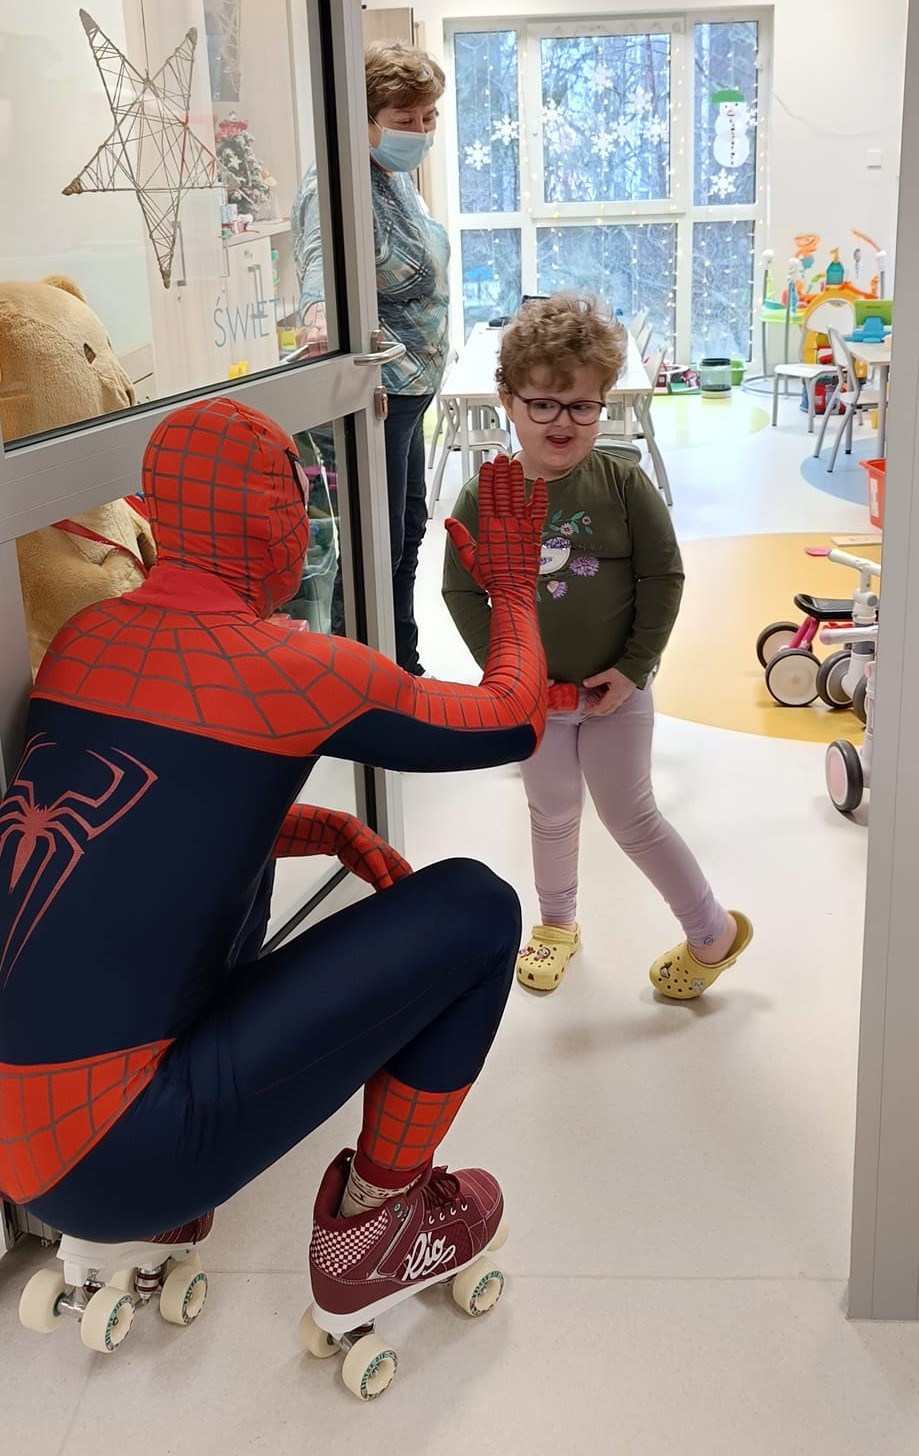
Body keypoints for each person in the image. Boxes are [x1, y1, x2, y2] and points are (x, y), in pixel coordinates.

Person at [0, 397, 548, 1349]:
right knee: (477, 908)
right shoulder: (296, 668)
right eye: (300, 501)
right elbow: (511, 719)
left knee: (242, 858)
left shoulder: (86, 639)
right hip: (123, 1149)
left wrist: (326, 827)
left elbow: (148, 826)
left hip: (25, 1143)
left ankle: (168, 1215)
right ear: (276, 523)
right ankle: (378, 1224)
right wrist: (510, 589)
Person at [443, 294, 753, 998]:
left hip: (617, 692)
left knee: (632, 816)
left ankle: (711, 932)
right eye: (543, 404)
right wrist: (509, 672)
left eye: (582, 406)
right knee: (550, 812)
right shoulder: (483, 496)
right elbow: (460, 590)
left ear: (603, 404)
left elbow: (662, 575)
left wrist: (634, 667)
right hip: (533, 699)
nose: (562, 422)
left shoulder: (622, 483)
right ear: (507, 401)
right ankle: (557, 926)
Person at [292, 40, 450, 676]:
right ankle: (365, 680)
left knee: (407, 531)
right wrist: (318, 318)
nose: (421, 130)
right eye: (405, 118)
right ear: (362, 119)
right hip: (376, 394)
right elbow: (320, 264)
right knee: (372, 552)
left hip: (409, 391)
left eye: (429, 116)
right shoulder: (336, 187)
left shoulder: (391, 175)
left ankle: (403, 666)